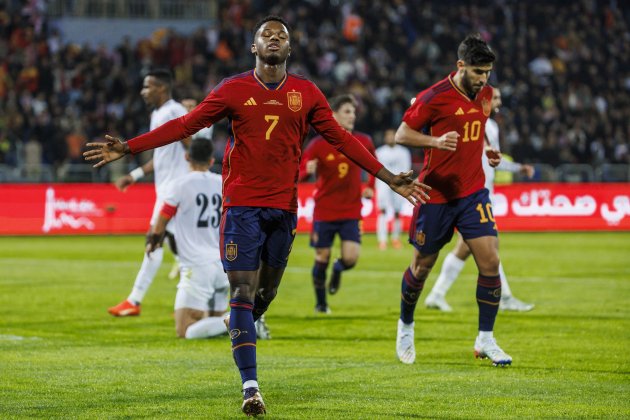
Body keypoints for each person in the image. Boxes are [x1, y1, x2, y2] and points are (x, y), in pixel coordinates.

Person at [84, 16, 430, 417]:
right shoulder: (233, 89)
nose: (274, 39)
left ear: (289, 48)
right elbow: (185, 125)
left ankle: (244, 323)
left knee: (265, 295)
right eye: (266, 34)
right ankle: (251, 387)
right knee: (242, 293)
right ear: (254, 47)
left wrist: (387, 178)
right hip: (241, 207)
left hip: (283, 209)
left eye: (281, 35)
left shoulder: (306, 93)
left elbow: (342, 140)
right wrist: (130, 147)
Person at [393, 34, 513, 367]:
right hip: (436, 196)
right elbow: (403, 134)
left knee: (489, 262)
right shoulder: (435, 97)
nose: (483, 79)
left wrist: (486, 148)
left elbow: (479, 123)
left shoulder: (486, 94)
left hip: (473, 192)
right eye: (477, 72)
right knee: (421, 268)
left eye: (487, 72)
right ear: (460, 66)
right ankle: (405, 325)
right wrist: (434, 140)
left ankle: (485, 339)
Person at [424, 87, 535, 313]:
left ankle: (436, 295)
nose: (499, 102)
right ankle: (504, 297)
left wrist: (516, 168)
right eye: (495, 97)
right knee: (489, 244)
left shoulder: (489, 125)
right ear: (484, 99)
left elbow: (493, 157)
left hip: (481, 191)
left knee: (466, 247)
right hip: (472, 193)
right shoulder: (479, 123)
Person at [108, 69, 191, 317]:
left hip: (175, 189)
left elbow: (191, 142)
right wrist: (133, 175)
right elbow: (160, 157)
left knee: (153, 241)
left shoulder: (173, 111)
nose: (144, 91)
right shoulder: (158, 113)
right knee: (182, 246)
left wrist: (194, 171)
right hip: (167, 187)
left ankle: (134, 300)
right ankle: (213, 294)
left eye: (148, 87)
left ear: (162, 88)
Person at [298, 94, 376, 314]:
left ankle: (338, 268)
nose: (352, 116)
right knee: (321, 256)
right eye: (347, 112)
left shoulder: (364, 140)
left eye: (353, 112)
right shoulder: (317, 145)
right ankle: (321, 304)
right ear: (334, 115)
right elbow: (300, 173)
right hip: (324, 210)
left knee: (351, 258)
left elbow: (374, 165)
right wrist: (307, 172)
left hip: (351, 210)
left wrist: (370, 185)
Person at [146, 138, 229, 339]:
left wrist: (153, 242)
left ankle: (245, 322)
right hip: (224, 265)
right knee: (213, 328)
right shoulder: (222, 183)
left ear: (186, 157)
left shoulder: (179, 185)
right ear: (211, 161)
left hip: (197, 266)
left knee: (185, 331)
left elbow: (162, 219)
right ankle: (238, 321)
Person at [375, 128, 412, 250]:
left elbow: (407, 169)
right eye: (388, 135)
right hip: (383, 184)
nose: (390, 138)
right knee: (383, 211)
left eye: (392, 135)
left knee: (397, 213)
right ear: (385, 138)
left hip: (399, 185)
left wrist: (405, 183)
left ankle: (395, 238)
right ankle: (382, 240)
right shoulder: (379, 152)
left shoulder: (404, 152)